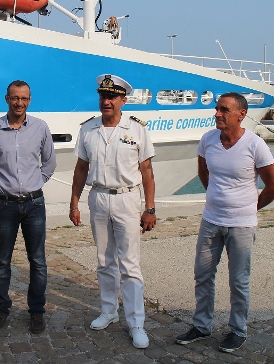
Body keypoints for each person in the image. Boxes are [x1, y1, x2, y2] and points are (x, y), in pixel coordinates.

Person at [175, 92, 274, 353]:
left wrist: (249, 208)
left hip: (242, 225)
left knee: (238, 281)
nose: (217, 114)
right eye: (217, 109)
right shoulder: (208, 140)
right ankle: (201, 326)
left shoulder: (255, 145)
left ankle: (238, 330)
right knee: (203, 275)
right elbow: (203, 171)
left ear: (241, 114)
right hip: (211, 220)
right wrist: (216, 196)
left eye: (224, 110)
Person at [69, 74, 156, 349]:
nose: (106, 101)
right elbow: (81, 169)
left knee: (130, 265)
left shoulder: (137, 129)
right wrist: (74, 202)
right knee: (104, 260)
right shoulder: (88, 129)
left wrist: (150, 208)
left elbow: (147, 172)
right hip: (99, 197)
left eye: (112, 97)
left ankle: (136, 323)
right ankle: (109, 310)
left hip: (127, 199)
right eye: (103, 96)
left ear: (123, 100)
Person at [0, 80, 56, 334]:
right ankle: (1, 307)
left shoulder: (40, 128)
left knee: (38, 260)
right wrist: (0, 187)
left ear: (29, 100)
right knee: (2, 260)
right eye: (14, 98)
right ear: (7, 99)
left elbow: (49, 163)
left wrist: (35, 183)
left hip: (34, 203)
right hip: (4, 204)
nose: (19, 103)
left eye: (24, 98)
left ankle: (36, 311)